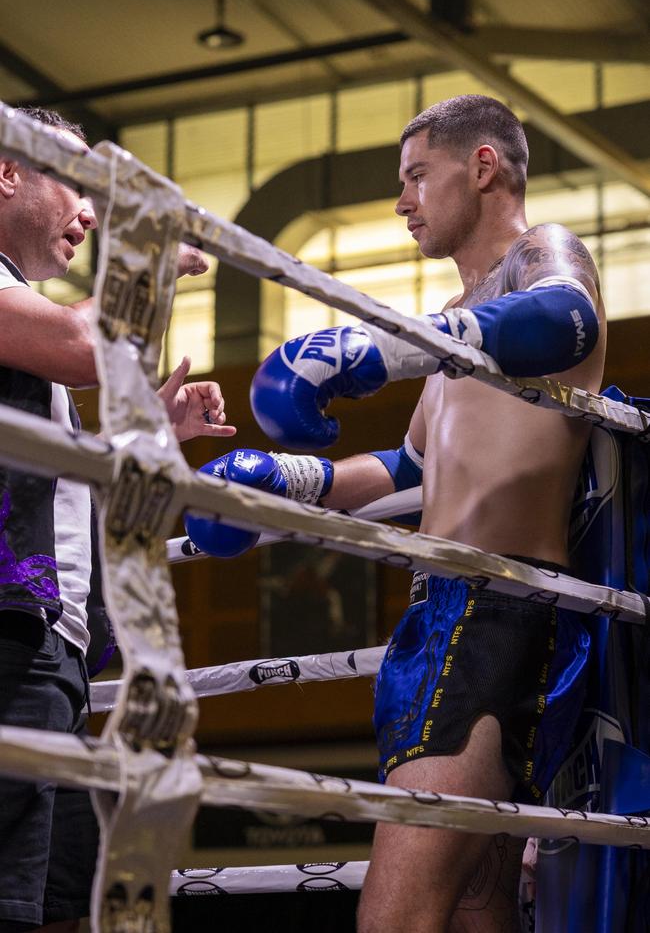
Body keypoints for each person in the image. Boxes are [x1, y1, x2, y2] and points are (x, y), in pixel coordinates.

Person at [187, 94, 606, 931]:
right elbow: (408, 469)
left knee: (395, 915)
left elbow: (569, 319)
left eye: (417, 175)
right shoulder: (459, 343)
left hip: (495, 604)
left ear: (482, 167)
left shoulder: (539, 258)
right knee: (476, 906)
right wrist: (285, 482)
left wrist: (376, 347)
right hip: (447, 612)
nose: (402, 200)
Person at [0, 106, 236, 933]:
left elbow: (59, 484)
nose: (92, 213)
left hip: (51, 645)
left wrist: (146, 437)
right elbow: (84, 343)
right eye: (74, 182)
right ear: (8, 173)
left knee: (55, 904)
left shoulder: (21, 319)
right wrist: (150, 252)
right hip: (9, 639)